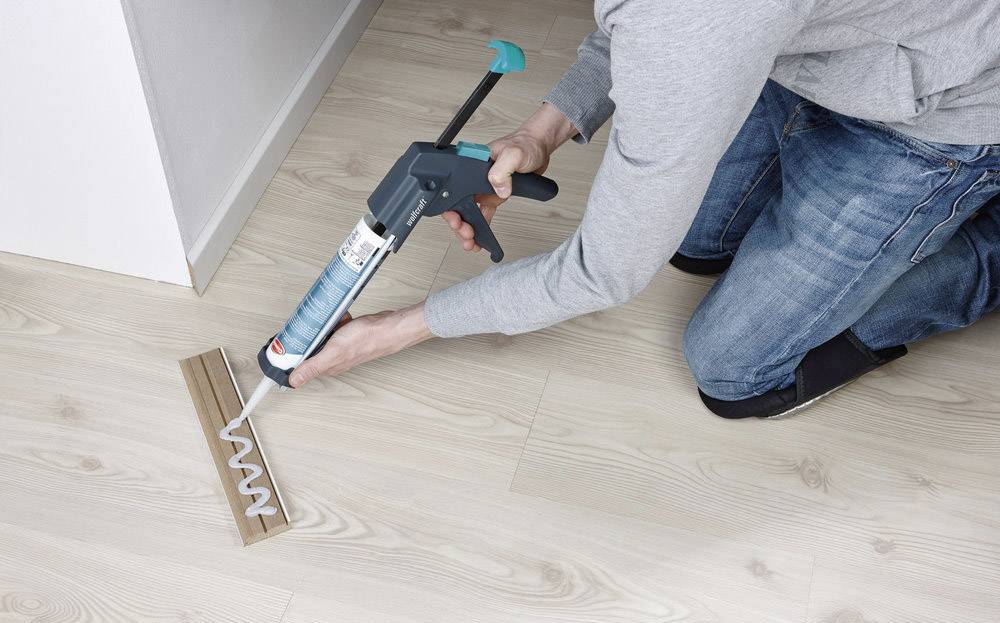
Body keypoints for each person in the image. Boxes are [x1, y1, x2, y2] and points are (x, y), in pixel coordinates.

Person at [290, 0, 1000, 419]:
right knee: (696, 244)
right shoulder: (692, 24)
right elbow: (636, 25)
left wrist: (395, 330)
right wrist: (542, 132)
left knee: (733, 374)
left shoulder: (698, 21)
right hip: (821, 49)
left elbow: (601, 274)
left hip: (942, 111)